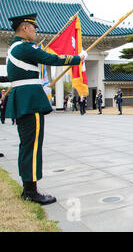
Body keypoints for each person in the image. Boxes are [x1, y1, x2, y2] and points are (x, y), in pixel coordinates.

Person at [5, 13, 86, 205]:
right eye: (33, 28)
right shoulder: (25, 47)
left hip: (25, 99)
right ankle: (30, 191)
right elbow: (52, 59)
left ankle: (28, 188)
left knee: (27, 145)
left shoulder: (14, 48)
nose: (35, 31)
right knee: (32, 146)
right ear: (24, 28)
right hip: (29, 101)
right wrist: (79, 58)